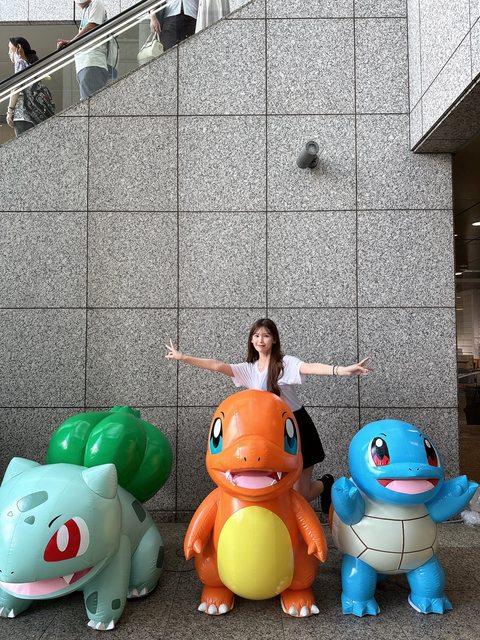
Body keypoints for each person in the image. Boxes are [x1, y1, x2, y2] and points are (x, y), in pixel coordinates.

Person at [165, 318, 370, 509]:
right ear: (251, 340)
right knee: (277, 488)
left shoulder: (285, 364)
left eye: (265, 335)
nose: (260, 340)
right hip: (271, 432)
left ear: (274, 339)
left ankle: (326, 484)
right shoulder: (249, 369)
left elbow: (310, 367)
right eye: (256, 335)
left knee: (301, 494)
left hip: (296, 427)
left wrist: (343, 370)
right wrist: (183, 357)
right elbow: (217, 365)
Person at [57, 0, 109, 100]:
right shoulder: (87, 9)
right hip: (86, 64)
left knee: (91, 104)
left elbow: (92, 26)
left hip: (92, 62)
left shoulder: (96, 3)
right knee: (88, 102)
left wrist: (71, 42)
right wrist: (70, 42)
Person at [6, 37, 39, 137]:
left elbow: (16, 88)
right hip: (33, 114)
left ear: (18, 47)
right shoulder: (30, 64)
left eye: (10, 48)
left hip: (22, 115)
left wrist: (10, 111)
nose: (8, 52)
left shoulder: (20, 62)